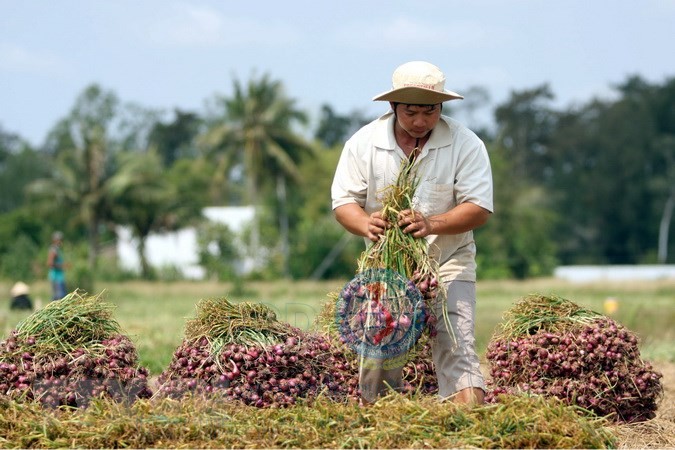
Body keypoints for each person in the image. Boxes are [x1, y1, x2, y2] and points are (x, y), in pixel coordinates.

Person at [331, 61, 494, 405]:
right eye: (411, 112)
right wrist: (365, 223)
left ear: (442, 108)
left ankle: (473, 428)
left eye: (430, 111)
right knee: (380, 345)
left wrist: (431, 224)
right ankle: (379, 424)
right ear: (393, 107)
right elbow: (344, 202)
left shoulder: (466, 144)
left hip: (448, 261)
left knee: (457, 342)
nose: (421, 121)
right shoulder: (364, 143)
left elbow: (478, 207)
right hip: (387, 268)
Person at [47, 231, 68, 300]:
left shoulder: (57, 249)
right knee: (59, 298)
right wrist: (62, 266)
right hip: (56, 278)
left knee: (61, 297)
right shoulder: (53, 250)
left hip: (59, 277)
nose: (61, 241)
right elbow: (50, 263)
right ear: (55, 240)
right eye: (60, 240)